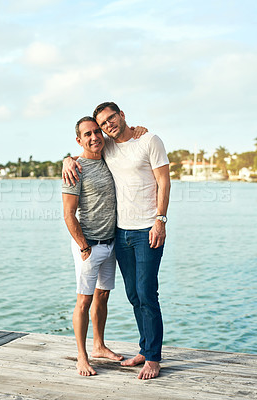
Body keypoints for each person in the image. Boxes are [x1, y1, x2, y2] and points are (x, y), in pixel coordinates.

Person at [63, 102, 170, 380]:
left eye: (109, 120)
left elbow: (164, 182)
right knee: (132, 296)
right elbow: (85, 155)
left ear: (122, 116)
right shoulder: (95, 154)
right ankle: (139, 350)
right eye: (100, 125)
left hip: (144, 230)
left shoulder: (147, 140)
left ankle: (153, 357)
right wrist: (66, 159)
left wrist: (161, 220)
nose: (104, 128)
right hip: (114, 236)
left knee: (145, 294)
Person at [62, 116, 123, 377]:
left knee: (103, 295)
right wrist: (84, 247)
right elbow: (68, 215)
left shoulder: (109, 157)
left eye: (97, 131)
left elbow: (127, 137)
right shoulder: (75, 168)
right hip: (88, 245)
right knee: (83, 301)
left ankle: (99, 346)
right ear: (79, 140)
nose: (94, 137)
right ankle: (82, 356)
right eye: (87, 134)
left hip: (110, 243)